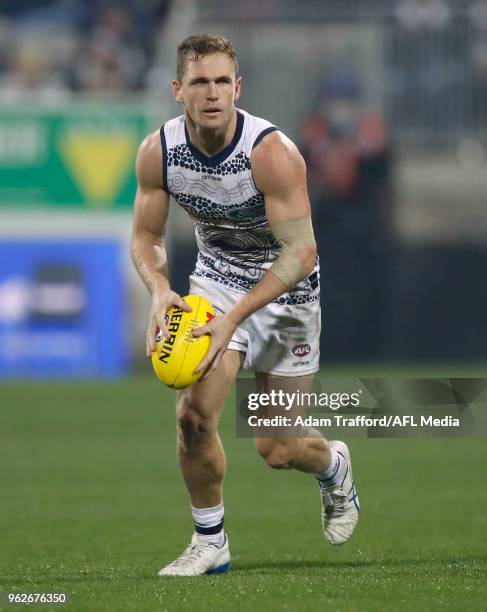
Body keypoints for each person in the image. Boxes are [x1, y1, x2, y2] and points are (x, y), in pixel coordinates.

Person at [131, 33, 360, 577]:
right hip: (214, 286)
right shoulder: (158, 152)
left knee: (277, 447)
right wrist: (162, 292)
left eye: (221, 82)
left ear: (239, 86)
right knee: (192, 417)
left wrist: (236, 317)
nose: (212, 93)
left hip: (286, 295)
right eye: (199, 82)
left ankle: (333, 466)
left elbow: (301, 252)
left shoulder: (271, 153)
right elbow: (146, 236)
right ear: (176, 90)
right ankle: (211, 541)